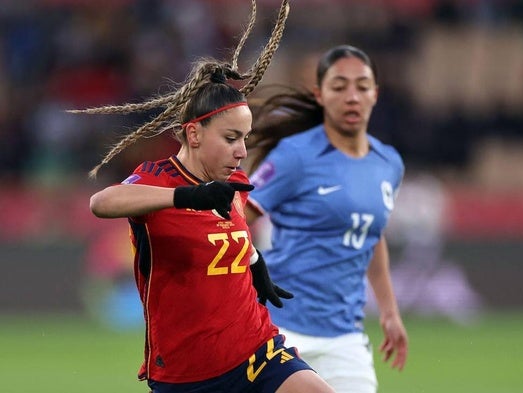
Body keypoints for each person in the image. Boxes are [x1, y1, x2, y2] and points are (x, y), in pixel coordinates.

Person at [71, 1, 335, 392]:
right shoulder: (157, 180)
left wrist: (255, 260)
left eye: (244, 138)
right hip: (187, 373)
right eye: (230, 138)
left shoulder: (234, 184)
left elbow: (229, 234)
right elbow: (103, 203)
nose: (241, 150)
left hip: (256, 350)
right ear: (194, 134)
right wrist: (184, 198)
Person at [244, 44, 409, 393]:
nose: (352, 96)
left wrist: (389, 312)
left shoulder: (388, 163)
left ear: (375, 94)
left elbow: (371, 236)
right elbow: (239, 215)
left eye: (362, 86)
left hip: (344, 334)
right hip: (280, 326)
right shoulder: (295, 156)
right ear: (320, 94)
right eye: (339, 86)